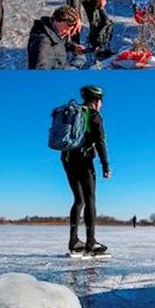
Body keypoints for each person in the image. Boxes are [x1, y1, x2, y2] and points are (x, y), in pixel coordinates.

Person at [61, 86, 110, 256]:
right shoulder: (93, 115)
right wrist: (105, 165)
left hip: (67, 158)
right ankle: (91, 242)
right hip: (84, 159)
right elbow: (100, 141)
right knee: (90, 200)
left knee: (78, 200)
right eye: (101, 101)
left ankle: (74, 241)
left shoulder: (74, 112)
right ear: (97, 101)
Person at [28, 5, 84, 69]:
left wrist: (74, 47)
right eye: (66, 28)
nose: (68, 32)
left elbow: (60, 42)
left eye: (70, 30)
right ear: (57, 21)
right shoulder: (43, 44)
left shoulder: (55, 30)